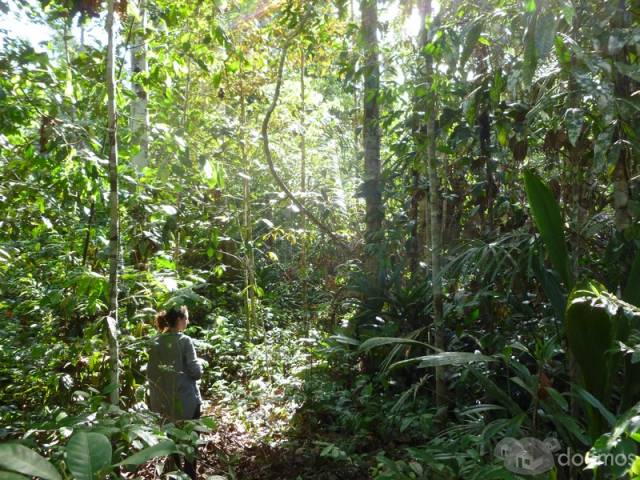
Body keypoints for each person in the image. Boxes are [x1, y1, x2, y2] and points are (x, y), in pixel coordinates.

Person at [147, 305, 203, 479]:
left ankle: (177, 473)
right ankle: (191, 474)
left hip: (167, 403)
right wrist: (200, 366)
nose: (187, 322)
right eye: (186, 318)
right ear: (179, 320)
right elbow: (196, 372)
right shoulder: (184, 341)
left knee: (174, 441)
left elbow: (152, 374)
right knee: (191, 441)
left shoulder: (156, 342)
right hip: (188, 401)